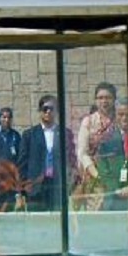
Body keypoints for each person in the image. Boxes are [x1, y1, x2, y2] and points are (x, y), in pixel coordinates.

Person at [18, 95, 75, 212]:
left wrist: (70, 184)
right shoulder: (29, 135)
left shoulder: (65, 133)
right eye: (45, 109)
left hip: (57, 187)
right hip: (35, 188)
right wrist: (22, 190)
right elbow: (22, 164)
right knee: (36, 224)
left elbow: (71, 160)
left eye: (52, 108)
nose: (48, 112)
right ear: (40, 111)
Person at [76, 81, 119, 210]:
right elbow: (82, 152)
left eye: (108, 97)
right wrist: (97, 174)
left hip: (117, 175)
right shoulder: (88, 121)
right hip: (95, 177)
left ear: (114, 100)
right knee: (96, 216)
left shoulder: (120, 119)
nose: (104, 101)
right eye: (100, 98)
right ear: (95, 100)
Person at [0, 107, 23, 212]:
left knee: (9, 202)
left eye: (9, 117)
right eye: (4, 117)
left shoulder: (16, 135)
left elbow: (19, 157)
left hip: (11, 176)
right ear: (0, 118)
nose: (6, 120)